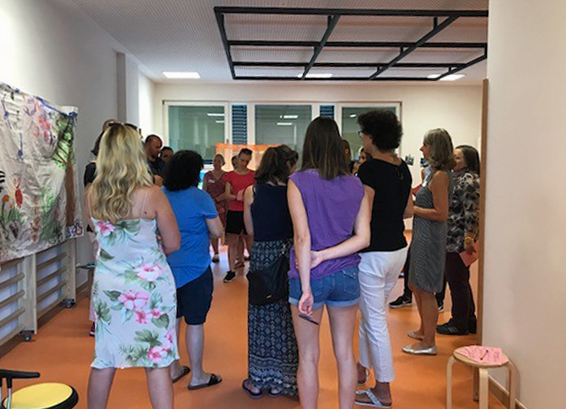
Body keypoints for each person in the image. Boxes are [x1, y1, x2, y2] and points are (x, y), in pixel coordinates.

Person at [85, 123, 181, 409]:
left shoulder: (91, 194)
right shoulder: (152, 194)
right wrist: (151, 250)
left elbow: (101, 236)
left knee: (105, 358)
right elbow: (174, 242)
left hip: (109, 286)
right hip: (150, 286)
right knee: (157, 361)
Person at [288, 117, 370, 409]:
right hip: (346, 275)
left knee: (308, 356)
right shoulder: (357, 185)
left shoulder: (297, 182)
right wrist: (328, 255)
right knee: (345, 354)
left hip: (309, 276)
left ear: (309, 144)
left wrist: (306, 287)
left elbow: (302, 237)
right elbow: (363, 238)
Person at [354, 110, 413, 407]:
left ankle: (383, 390)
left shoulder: (370, 169)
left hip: (373, 253)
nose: (362, 138)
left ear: (372, 137)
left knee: (375, 319)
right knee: (372, 312)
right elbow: (408, 211)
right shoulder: (403, 168)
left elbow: (362, 214)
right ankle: (361, 369)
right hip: (398, 249)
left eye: (363, 133)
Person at [163, 150, 224, 390]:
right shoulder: (200, 197)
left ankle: (173, 369)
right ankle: (197, 375)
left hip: (166, 268)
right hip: (196, 269)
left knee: (172, 320)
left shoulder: (160, 195)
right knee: (195, 322)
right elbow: (218, 232)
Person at [241, 146, 299, 399]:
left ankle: (258, 380)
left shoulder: (251, 191)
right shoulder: (294, 191)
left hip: (262, 255)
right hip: (288, 255)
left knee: (260, 314)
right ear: (286, 166)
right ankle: (283, 381)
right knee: (287, 317)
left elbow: (250, 229)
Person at [403, 128, 455, 356]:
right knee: (416, 284)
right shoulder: (430, 173)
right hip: (421, 233)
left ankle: (429, 342)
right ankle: (424, 330)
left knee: (426, 289)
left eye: (425, 145)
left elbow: (441, 213)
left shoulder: (441, 176)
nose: (421, 149)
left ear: (435, 148)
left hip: (431, 237)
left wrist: (414, 210)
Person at [437, 145, 480, 336]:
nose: (453, 160)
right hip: (452, 236)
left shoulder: (469, 180)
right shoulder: (456, 178)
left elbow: (472, 212)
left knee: (457, 282)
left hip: (458, 238)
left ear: (468, 161)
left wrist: (469, 238)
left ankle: (459, 323)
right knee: (461, 280)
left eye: (457, 157)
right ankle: (469, 320)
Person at [84, 119, 116, 337]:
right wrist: (97, 229)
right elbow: (88, 201)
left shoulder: (117, 170)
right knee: (102, 274)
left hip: (116, 229)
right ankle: (97, 320)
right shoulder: (93, 168)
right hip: (99, 229)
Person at [223, 149, 255, 283]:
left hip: (249, 211)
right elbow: (227, 195)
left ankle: (253, 269)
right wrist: (238, 197)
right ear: (238, 159)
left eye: (247, 161)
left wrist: (248, 199)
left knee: (250, 241)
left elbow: (256, 193)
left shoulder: (253, 175)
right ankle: (231, 270)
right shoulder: (230, 175)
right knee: (233, 241)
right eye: (242, 160)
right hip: (234, 211)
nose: (244, 163)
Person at [203, 153, 229, 263]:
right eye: (214, 161)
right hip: (210, 205)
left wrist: (217, 199)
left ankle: (236, 253)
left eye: (219, 161)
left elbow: (228, 191)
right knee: (212, 229)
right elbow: (204, 190)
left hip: (223, 206)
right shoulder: (207, 175)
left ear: (223, 163)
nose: (216, 163)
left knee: (226, 228)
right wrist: (209, 201)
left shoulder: (227, 176)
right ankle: (216, 252)